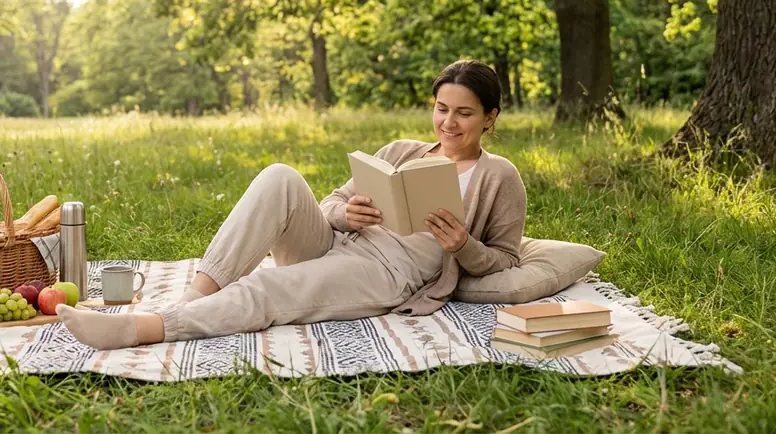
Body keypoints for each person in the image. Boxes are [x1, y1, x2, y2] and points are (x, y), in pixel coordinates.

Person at [58, 59, 527, 349]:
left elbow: (505, 258)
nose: (448, 122)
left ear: (490, 118)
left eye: (464, 113)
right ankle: (195, 294)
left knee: (270, 288)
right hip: (339, 243)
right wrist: (347, 213)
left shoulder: (498, 176)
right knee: (279, 176)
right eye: (442, 109)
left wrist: (463, 245)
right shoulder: (403, 151)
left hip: (386, 274)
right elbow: (333, 202)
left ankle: (146, 327)